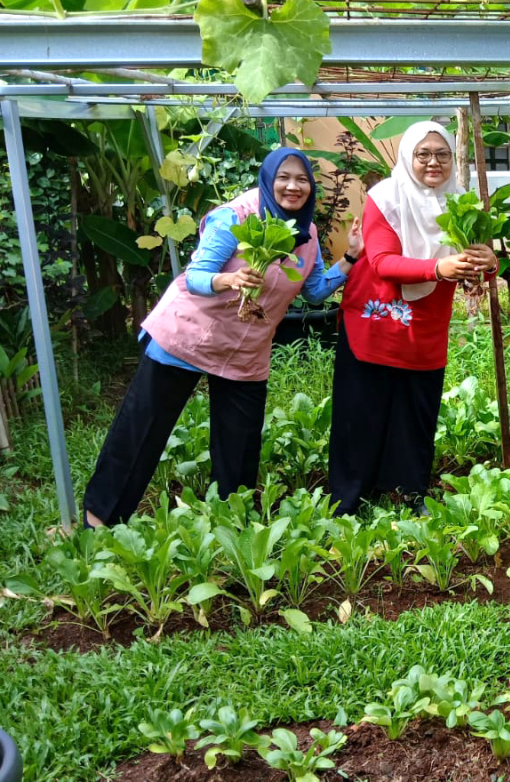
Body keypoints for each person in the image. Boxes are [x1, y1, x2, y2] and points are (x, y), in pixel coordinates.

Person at [82, 147, 362, 528]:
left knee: (239, 447)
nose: (293, 187)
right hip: (188, 335)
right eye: (283, 177)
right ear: (268, 179)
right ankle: (98, 520)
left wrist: (350, 258)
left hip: (245, 350)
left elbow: (313, 292)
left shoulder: (307, 234)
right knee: (143, 429)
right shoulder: (236, 216)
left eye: (302, 179)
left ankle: (231, 528)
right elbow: (196, 277)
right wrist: (229, 279)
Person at [329, 121, 497, 516]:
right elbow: (382, 262)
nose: (433, 162)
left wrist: (489, 263)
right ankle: (348, 502)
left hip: (426, 322)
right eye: (423, 154)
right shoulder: (385, 197)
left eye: (442, 154)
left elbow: (474, 261)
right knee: (361, 412)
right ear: (408, 156)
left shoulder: (461, 201)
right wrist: (439, 268)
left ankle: (408, 493)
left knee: (417, 410)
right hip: (377, 318)